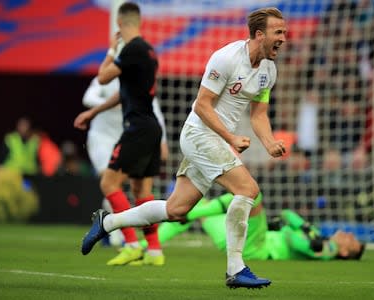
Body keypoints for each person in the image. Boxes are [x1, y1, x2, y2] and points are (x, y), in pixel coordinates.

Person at [80, 6, 288, 289]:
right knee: (248, 190)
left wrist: (269, 142)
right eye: (279, 32)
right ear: (259, 34)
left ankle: (108, 223)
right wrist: (230, 137)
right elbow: (202, 105)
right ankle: (235, 269)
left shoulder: (268, 71)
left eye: (284, 32)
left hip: (213, 139)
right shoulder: (226, 58)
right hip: (199, 134)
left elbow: (259, 115)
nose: (284, 38)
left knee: (177, 209)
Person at [74, 2, 165, 266]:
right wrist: (93, 112)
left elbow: (102, 78)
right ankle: (155, 251)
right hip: (150, 128)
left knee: (108, 184)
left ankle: (131, 243)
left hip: (136, 129)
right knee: (142, 191)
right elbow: (122, 94)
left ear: (120, 24)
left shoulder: (131, 49)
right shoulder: (149, 51)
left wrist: (112, 49)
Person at [82, 74, 169, 250]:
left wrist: (163, 141)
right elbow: (88, 98)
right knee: (110, 182)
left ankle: (142, 243)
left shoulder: (139, 79)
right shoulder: (105, 78)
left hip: (131, 137)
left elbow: (154, 110)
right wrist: (111, 104)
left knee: (139, 189)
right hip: (102, 138)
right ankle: (121, 235)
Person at [158, 193, 366, 261]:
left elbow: (294, 242)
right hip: (239, 244)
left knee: (252, 194)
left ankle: (184, 214)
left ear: (346, 252)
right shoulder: (317, 235)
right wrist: (303, 225)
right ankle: (148, 244)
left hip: (257, 247)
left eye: (352, 241)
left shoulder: (329, 249)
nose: (348, 234)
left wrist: (287, 230)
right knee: (201, 205)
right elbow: (287, 214)